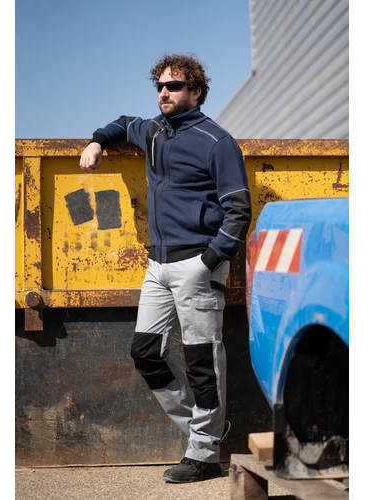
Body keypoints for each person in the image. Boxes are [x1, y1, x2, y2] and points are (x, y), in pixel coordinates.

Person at [80, 53, 251, 483]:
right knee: (145, 352)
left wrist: (208, 261)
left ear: (196, 91)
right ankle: (203, 433)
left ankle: (204, 455)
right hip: (157, 265)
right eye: (159, 86)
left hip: (198, 264)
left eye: (173, 86)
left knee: (202, 360)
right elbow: (123, 123)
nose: (163, 93)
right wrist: (98, 141)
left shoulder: (217, 142)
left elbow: (239, 210)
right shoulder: (155, 131)